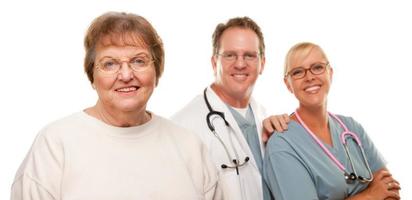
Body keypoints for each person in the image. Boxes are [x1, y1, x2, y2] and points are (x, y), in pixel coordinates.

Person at [11, 12, 218, 200]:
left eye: (139, 61)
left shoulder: (190, 146)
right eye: (110, 63)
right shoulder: (55, 146)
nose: (126, 75)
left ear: (157, 71)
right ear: (92, 75)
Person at [263, 42, 401, 200]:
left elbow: (390, 189)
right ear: (288, 84)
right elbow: (379, 192)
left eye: (317, 67)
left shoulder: (351, 128)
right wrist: (370, 195)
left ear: (330, 73)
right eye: (298, 72)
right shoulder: (282, 144)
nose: (309, 77)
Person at [172, 16, 286, 200]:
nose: (240, 64)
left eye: (249, 55)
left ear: (262, 64)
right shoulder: (183, 127)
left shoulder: (264, 117)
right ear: (214, 62)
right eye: (230, 55)